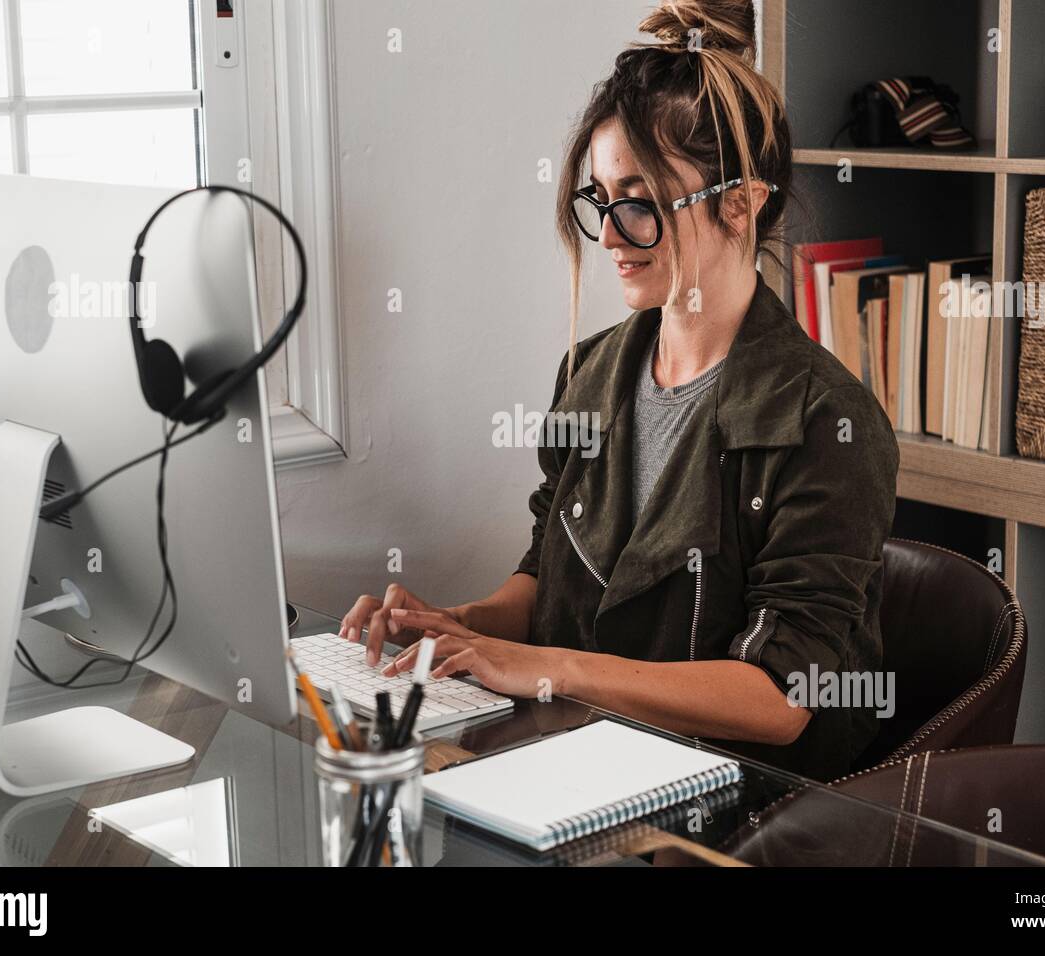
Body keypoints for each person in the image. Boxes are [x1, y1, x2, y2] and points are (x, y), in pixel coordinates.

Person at [338, 0, 898, 780]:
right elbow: (545, 579)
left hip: (738, 809)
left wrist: (548, 668)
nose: (607, 237)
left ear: (741, 200)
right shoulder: (589, 374)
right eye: (600, 201)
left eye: (636, 204)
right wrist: (454, 629)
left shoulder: (827, 421)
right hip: (583, 761)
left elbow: (782, 697)